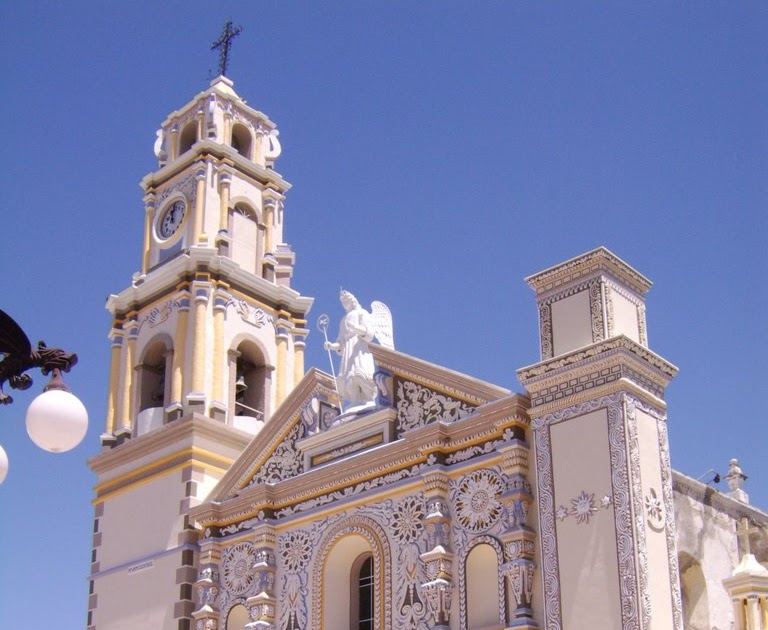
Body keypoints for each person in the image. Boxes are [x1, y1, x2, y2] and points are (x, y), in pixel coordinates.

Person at [324, 290, 377, 407]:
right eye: (342, 302)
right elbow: (341, 341)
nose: (344, 303)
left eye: (346, 300)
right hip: (348, 350)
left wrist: (357, 329)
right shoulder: (343, 320)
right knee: (348, 376)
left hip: (359, 348)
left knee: (359, 372)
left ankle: (367, 398)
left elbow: (370, 333)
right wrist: (333, 346)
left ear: (352, 300)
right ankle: (355, 400)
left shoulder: (361, 313)